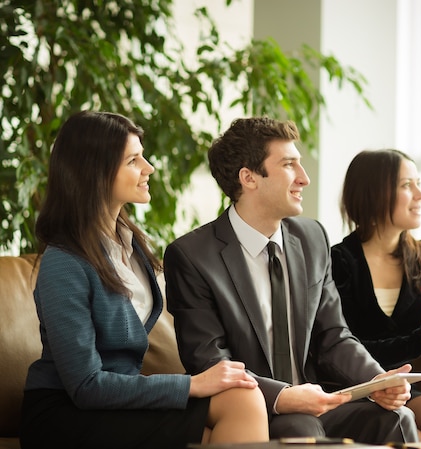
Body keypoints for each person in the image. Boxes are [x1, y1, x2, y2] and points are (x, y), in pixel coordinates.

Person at [19, 111, 269, 449]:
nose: (148, 168)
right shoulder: (63, 263)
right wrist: (191, 385)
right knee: (215, 427)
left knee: (243, 395)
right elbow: (85, 385)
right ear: (97, 172)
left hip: (117, 399)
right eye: (134, 160)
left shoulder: (130, 244)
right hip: (64, 411)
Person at [163, 117, 419, 444]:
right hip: (256, 406)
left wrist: (377, 380)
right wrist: (284, 396)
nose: (305, 178)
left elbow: (333, 336)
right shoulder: (192, 255)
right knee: (301, 428)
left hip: (318, 400)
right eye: (289, 165)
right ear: (249, 178)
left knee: (397, 418)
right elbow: (209, 360)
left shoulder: (312, 237)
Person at [331, 149, 421, 441]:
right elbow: (343, 348)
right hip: (356, 385)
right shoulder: (337, 263)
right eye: (406, 185)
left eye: (418, 183)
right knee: (417, 436)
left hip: (406, 388)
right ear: (374, 193)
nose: (420, 194)